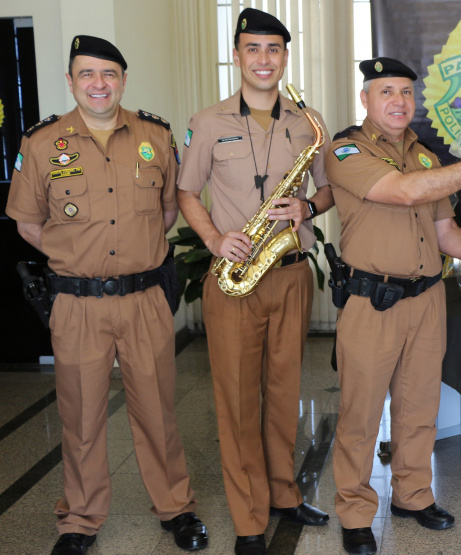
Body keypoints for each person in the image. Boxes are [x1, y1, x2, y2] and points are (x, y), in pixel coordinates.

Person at [6, 36, 207, 555]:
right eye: (87, 74)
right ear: (71, 82)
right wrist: (75, 254)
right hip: (77, 304)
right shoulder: (42, 142)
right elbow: (27, 222)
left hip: (143, 299)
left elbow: (167, 212)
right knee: (81, 415)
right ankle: (79, 520)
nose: (99, 84)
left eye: (109, 74)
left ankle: (176, 509)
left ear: (123, 79)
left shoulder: (155, 135)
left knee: (158, 412)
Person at [326, 56, 461, 555]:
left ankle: (413, 495)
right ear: (366, 99)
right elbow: (401, 191)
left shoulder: (427, 157)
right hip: (373, 301)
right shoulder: (346, 151)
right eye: (386, 91)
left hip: (427, 298)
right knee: (361, 414)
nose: (398, 101)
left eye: (406, 93)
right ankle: (354, 510)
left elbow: (447, 234)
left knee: (419, 409)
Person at [176, 9, 332, 555]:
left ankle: (284, 495)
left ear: (284, 57)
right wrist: (216, 240)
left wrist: (308, 204)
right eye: (253, 49)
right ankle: (248, 519)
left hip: (290, 274)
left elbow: (330, 190)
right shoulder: (208, 121)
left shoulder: (309, 123)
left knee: (285, 395)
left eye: (274, 49)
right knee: (238, 401)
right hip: (233, 277)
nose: (264, 59)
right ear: (237, 55)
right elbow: (186, 193)